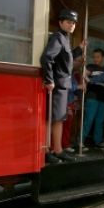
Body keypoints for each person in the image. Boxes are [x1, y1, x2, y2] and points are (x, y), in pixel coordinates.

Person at [40, 9, 85, 163]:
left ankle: (58, 150)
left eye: (73, 23)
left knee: (59, 118)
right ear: (60, 23)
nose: (71, 25)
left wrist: (79, 49)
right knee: (51, 119)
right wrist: (49, 80)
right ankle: (46, 150)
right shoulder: (58, 37)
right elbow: (47, 58)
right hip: (58, 85)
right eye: (68, 22)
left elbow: (65, 58)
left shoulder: (65, 39)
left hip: (63, 86)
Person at [80, 48, 104, 149]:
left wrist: (93, 80)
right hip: (92, 97)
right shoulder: (90, 67)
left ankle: (98, 141)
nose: (96, 59)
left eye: (98, 57)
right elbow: (83, 75)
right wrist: (87, 81)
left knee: (100, 121)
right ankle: (80, 141)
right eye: (94, 57)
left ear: (103, 57)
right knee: (89, 119)